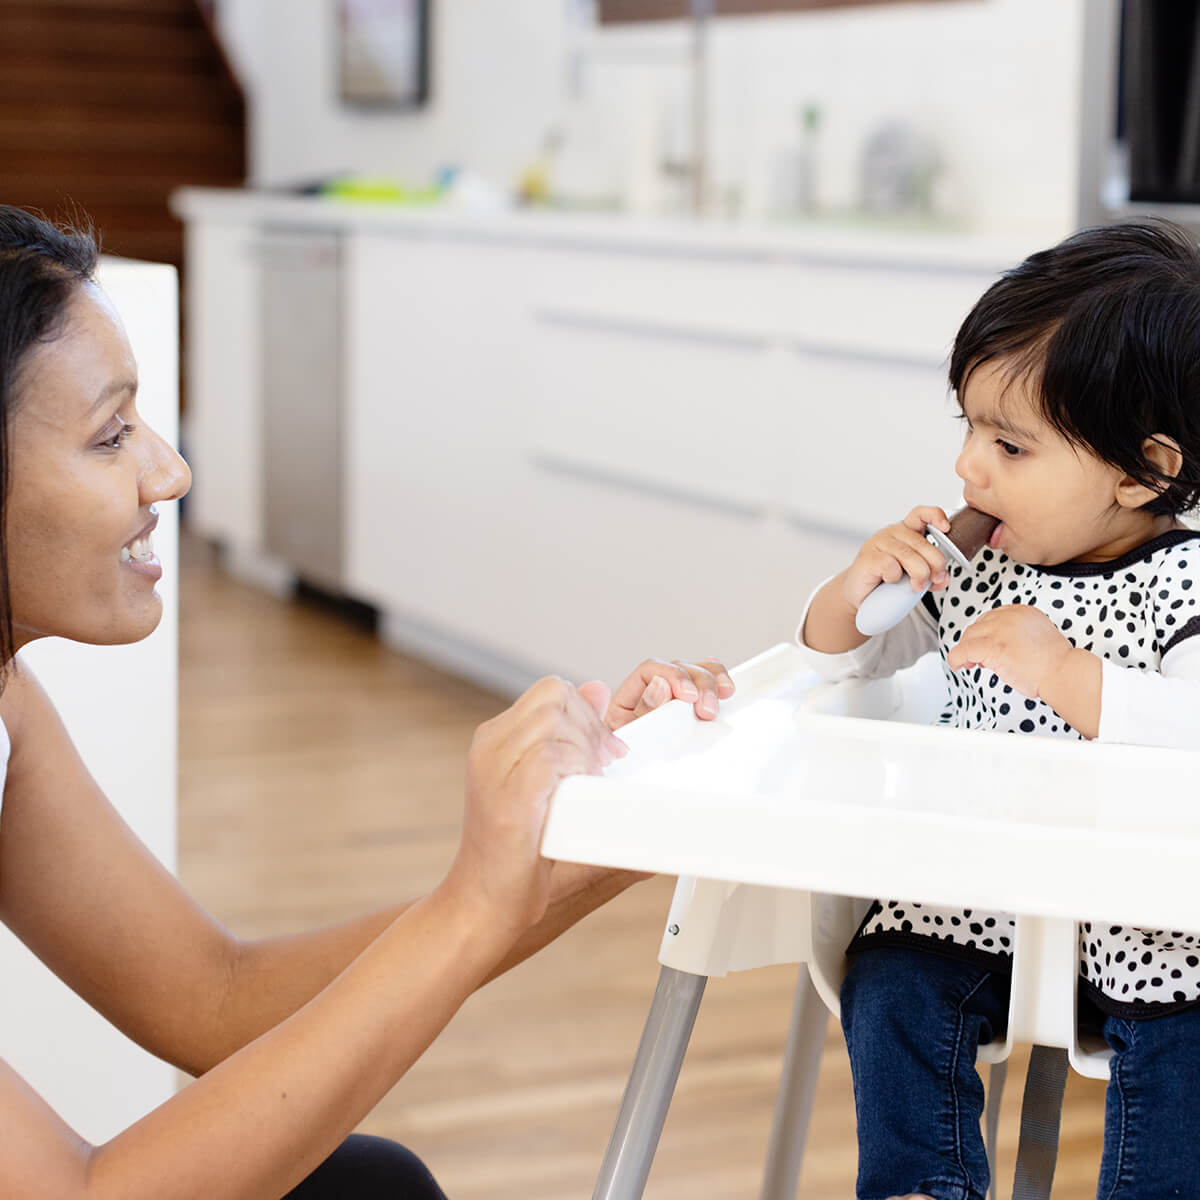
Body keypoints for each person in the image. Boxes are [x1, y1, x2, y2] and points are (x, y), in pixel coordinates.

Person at [0, 203, 737, 1198]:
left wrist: (607, 823)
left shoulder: (8, 708)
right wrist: (470, 905)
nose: (170, 472)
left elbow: (216, 1000)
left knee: (369, 1186)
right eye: (110, 435)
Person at [793, 219, 1200, 1200]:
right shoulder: (977, 568)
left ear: (1142, 471)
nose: (970, 469)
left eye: (1010, 444)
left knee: (1187, 1062)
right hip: (979, 900)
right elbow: (835, 661)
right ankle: (923, 1183)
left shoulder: (1185, 586)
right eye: (969, 428)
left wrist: (1071, 676)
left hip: (1156, 924)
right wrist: (860, 587)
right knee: (889, 977)